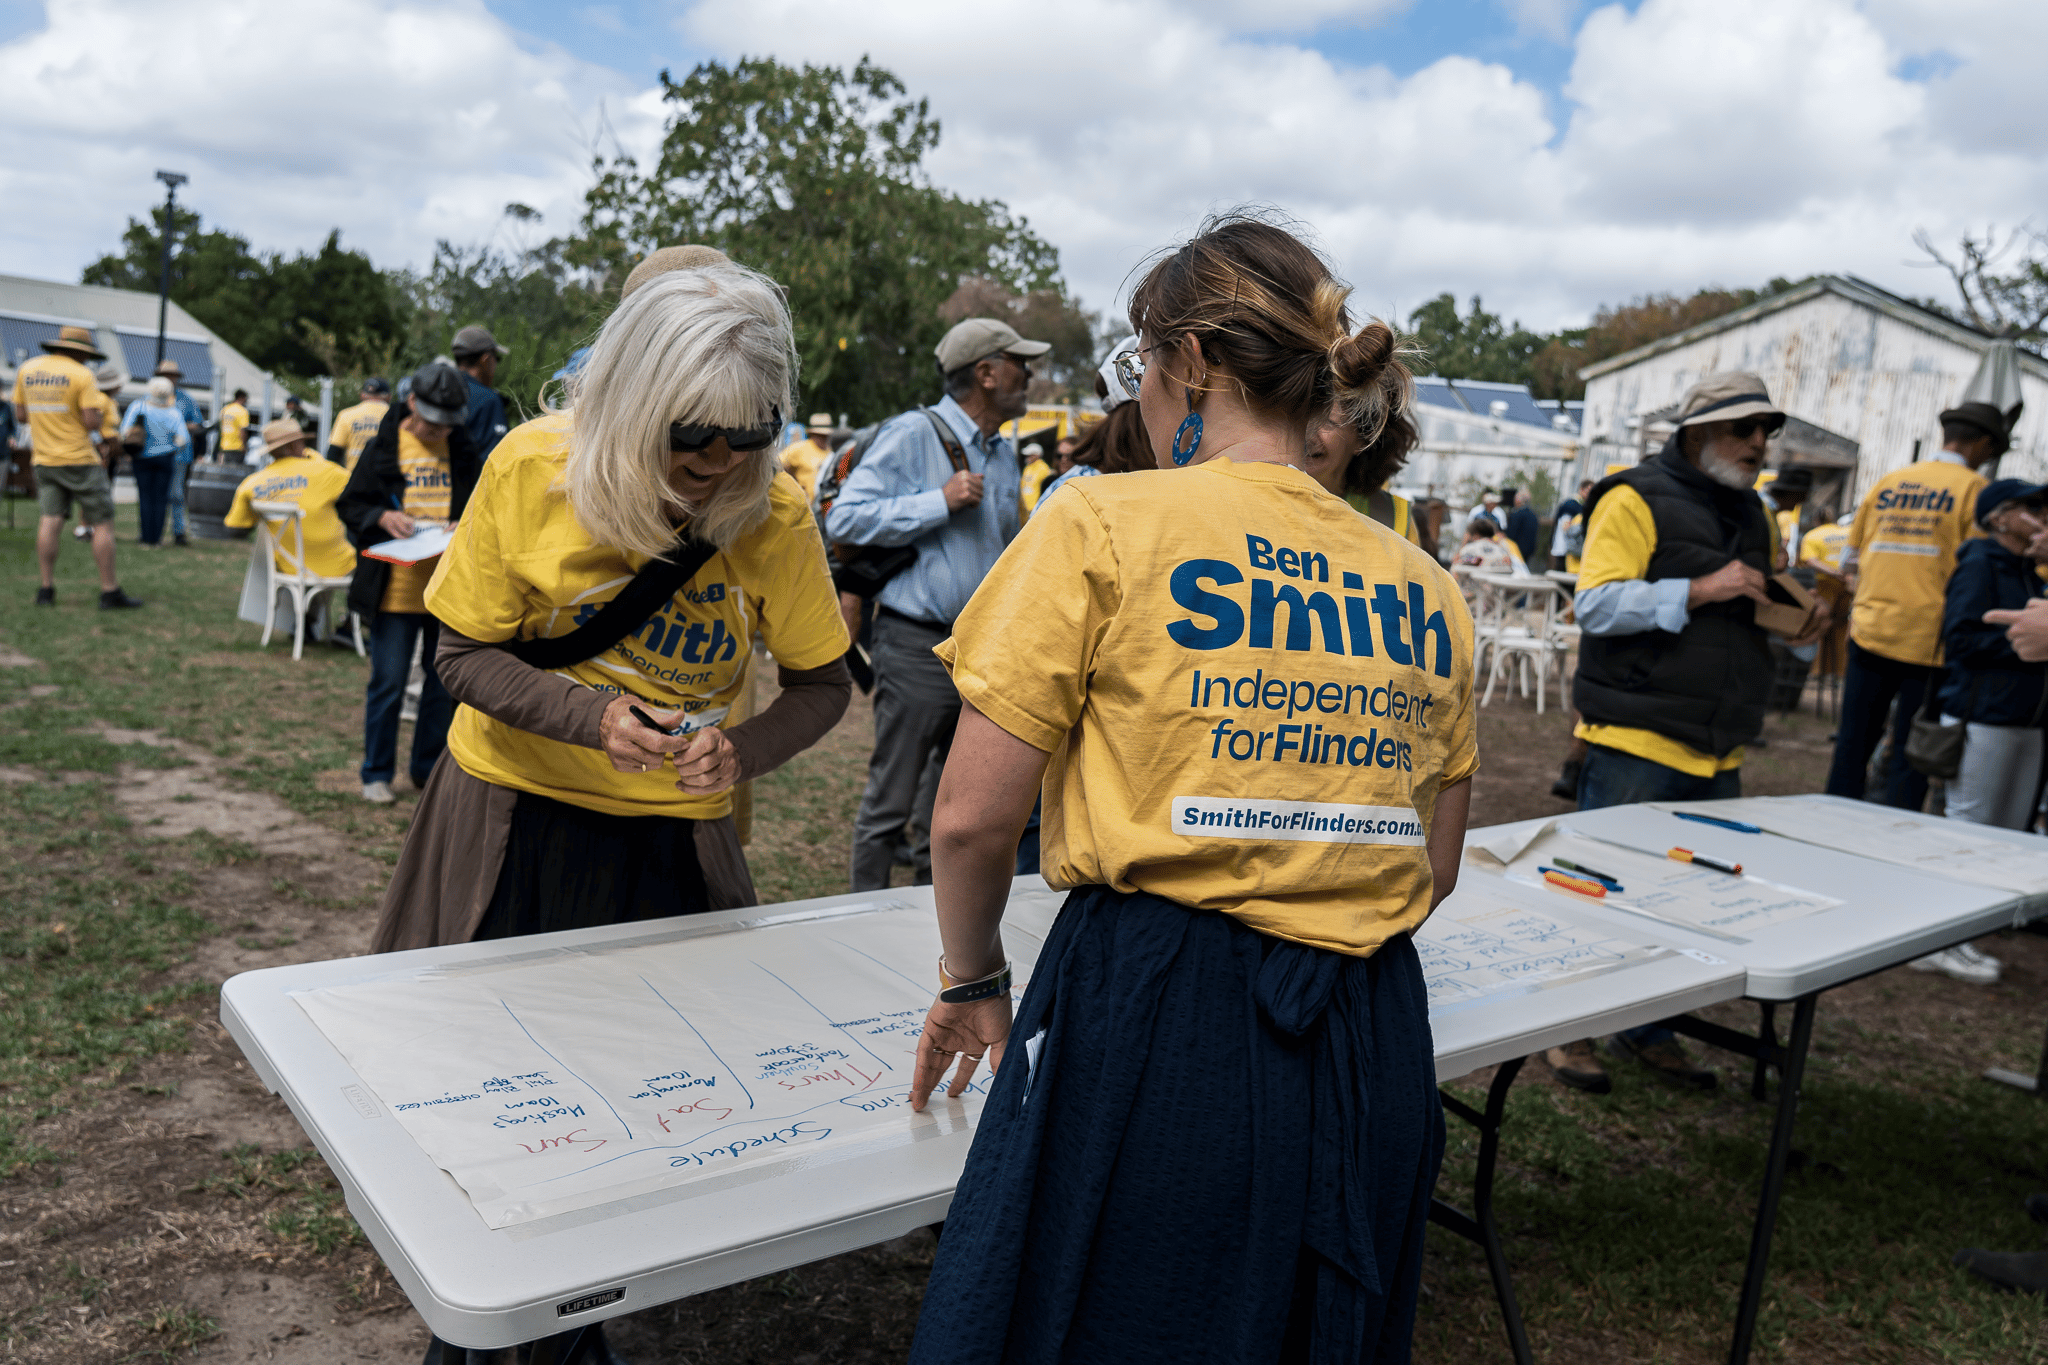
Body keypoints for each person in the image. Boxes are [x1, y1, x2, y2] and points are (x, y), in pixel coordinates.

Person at [904, 213, 1472, 1363]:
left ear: (1195, 363)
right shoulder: (1425, 585)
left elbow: (969, 816)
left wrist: (972, 977)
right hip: (1369, 1025)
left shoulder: (1104, 521)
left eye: (1141, 365)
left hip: (1164, 1014)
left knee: (1112, 1317)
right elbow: (1434, 863)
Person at [1551, 372, 1826, 1094]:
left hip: (1720, 743)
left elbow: (1759, 607)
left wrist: (1801, 616)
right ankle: (1567, 1026)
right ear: (1699, 432)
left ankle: (1648, 1026)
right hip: (1636, 736)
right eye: (1745, 429)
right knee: (1595, 891)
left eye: (1768, 430)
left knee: (1687, 901)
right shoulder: (1633, 495)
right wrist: (1702, 588)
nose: (1760, 444)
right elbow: (1597, 605)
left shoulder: (1758, 515)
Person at [827, 316, 1045, 891]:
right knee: (890, 802)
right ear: (987, 373)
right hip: (916, 647)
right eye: (1022, 365)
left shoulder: (1002, 450)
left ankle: (929, 927)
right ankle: (860, 922)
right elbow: (845, 517)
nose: (1032, 376)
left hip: (976, 655)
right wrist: (938, 501)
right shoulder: (912, 434)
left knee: (950, 811)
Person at [1824, 400, 2007, 808]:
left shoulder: (1889, 483)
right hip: (1930, 642)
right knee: (1913, 751)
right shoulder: (1976, 492)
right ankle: (1897, 834)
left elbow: (1849, 560)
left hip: (1871, 632)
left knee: (1853, 743)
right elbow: (1981, 573)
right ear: (1980, 444)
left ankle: (1832, 819)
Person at [337, 363, 478, 804]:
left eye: (446, 424)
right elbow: (351, 503)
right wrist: (381, 516)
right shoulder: (385, 443)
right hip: (394, 588)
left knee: (442, 686)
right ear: (412, 402)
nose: (438, 432)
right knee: (390, 681)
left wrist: (465, 523)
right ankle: (376, 772)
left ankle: (426, 771)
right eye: (430, 421)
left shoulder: (462, 446)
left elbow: (483, 503)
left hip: (445, 589)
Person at [11, 325, 142, 610]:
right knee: (102, 523)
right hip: (80, 460)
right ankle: (109, 591)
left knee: (50, 520)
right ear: (79, 353)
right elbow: (92, 422)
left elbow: (21, 416)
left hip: (44, 459)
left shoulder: (28, 369)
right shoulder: (81, 375)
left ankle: (46, 589)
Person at [224, 417, 356, 580]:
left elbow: (235, 529)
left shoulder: (250, 484)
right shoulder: (329, 472)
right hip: (340, 566)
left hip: (288, 569)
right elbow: (365, 497)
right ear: (295, 445)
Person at [1303, 396, 1424, 546]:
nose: (1307, 434)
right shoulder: (1266, 494)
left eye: (1327, 422)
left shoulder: (1392, 519)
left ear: (1364, 437)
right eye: (1300, 415)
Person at [120, 376, 190, 548]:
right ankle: (156, 539)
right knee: (160, 499)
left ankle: (145, 537)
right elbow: (184, 439)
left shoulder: (139, 407)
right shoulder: (174, 412)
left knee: (145, 497)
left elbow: (124, 431)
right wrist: (171, 447)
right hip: (165, 458)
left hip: (142, 457)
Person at [153, 360, 204, 544]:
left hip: (179, 454)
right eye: (165, 376)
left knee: (176, 494)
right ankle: (154, 531)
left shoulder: (186, 400)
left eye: (171, 376)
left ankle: (179, 532)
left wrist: (178, 426)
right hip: (155, 453)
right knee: (156, 493)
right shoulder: (148, 398)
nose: (168, 379)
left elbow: (197, 425)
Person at [450, 325, 511, 458]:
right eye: (497, 359)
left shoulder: (441, 390)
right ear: (486, 360)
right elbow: (494, 462)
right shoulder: (488, 400)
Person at [326, 377, 391, 471]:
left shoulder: (346, 415)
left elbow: (333, 454)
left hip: (354, 478)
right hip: (386, 479)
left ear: (362, 395)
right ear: (388, 396)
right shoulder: (396, 416)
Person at [782, 411, 835, 502]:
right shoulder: (798, 448)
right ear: (812, 434)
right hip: (802, 504)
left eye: (826, 436)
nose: (823, 438)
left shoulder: (832, 453)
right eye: (820, 435)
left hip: (823, 506)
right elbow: (778, 467)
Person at [1505, 487, 1540, 566]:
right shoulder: (1534, 515)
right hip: (1529, 550)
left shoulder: (1516, 514)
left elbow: (1511, 534)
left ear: (1518, 500)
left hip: (1516, 550)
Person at [1018, 442, 1054, 513]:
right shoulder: (1027, 467)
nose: (1027, 457)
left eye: (1030, 455)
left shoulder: (1043, 468)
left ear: (1037, 455)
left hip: (1035, 508)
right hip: (1024, 508)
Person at [218, 388, 251, 461]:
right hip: (237, 447)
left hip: (224, 446)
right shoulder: (242, 411)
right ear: (241, 397)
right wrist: (245, 446)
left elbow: (220, 428)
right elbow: (243, 431)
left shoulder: (225, 409)